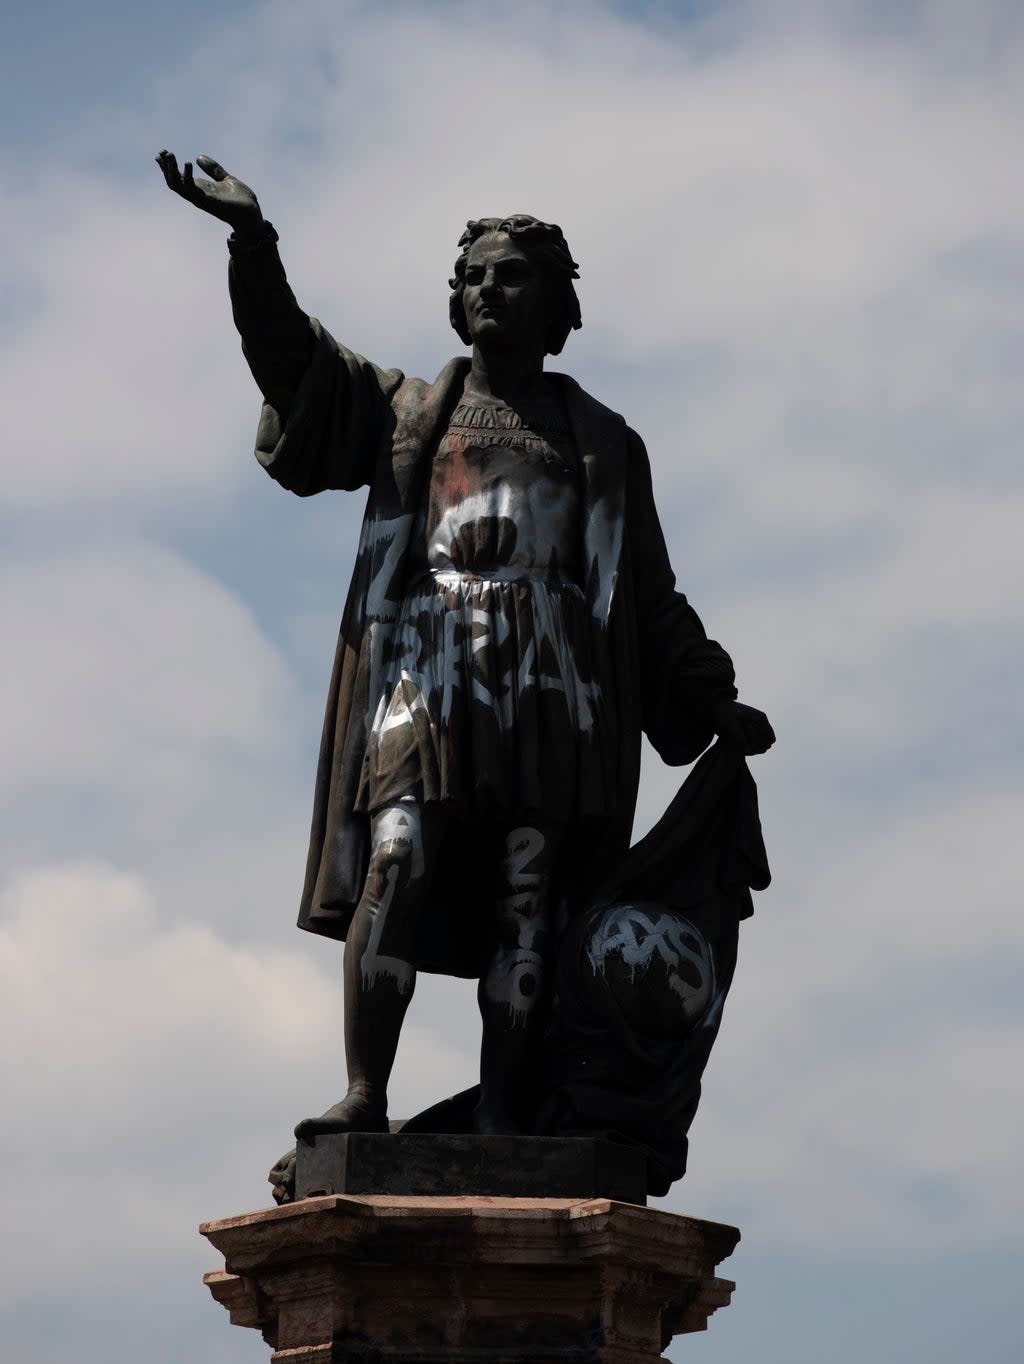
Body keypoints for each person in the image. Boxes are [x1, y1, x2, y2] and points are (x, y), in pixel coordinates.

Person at [156, 151, 775, 1138]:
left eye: (512, 273)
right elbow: (295, 365)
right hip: (427, 674)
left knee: (530, 897)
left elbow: (645, 594)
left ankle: (501, 1114)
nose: (489, 286)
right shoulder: (410, 410)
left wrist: (706, 697)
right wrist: (252, 245)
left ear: (558, 306)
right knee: (394, 859)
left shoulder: (602, 440)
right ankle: (365, 1091)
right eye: (474, 274)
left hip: (553, 687)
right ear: (456, 300)